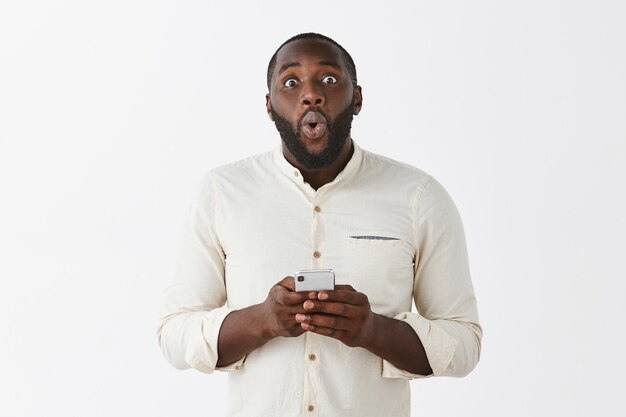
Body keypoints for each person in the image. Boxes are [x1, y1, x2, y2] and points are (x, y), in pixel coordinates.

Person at [158, 32, 482, 417]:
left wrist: (373, 331)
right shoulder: (221, 193)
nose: (310, 95)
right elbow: (173, 335)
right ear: (269, 105)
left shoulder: (419, 197)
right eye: (290, 82)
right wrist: (262, 321)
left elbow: (465, 344)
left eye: (329, 79)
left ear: (357, 98)